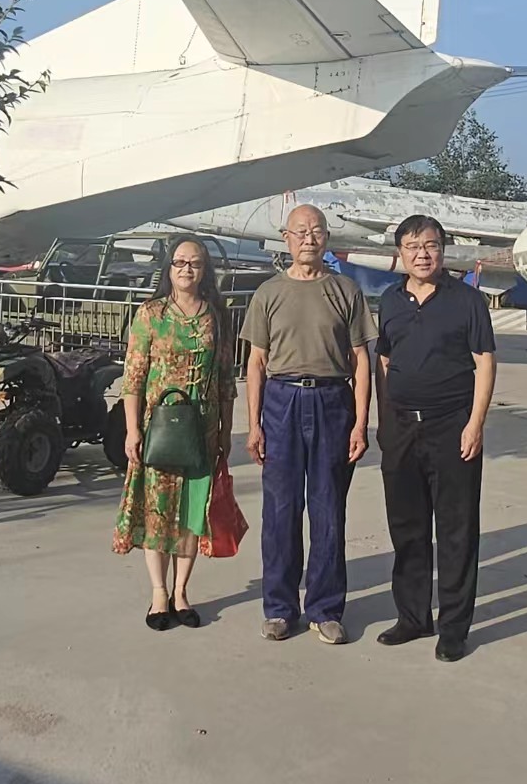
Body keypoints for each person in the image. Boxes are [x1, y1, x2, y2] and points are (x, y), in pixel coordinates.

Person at [242, 204, 375, 643]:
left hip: (332, 402)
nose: (308, 239)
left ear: (327, 238)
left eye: (316, 231)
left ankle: (325, 608)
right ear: (286, 238)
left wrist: (360, 424)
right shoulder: (268, 293)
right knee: (280, 511)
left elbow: (361, 360)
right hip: (281, 401)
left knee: (328, 509)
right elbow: (256, 362)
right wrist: (254, 424)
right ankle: (280, 608)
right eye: (300, 231)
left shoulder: (345, 290)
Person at [370, 214, 495, 662]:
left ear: (442, 250)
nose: (422, 254)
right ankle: (412, 617)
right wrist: (385, 420)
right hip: (402, 426)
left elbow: (484, 361)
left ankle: (454, 628)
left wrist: (475, 423)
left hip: (452, 425)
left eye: (430, 245)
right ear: (400, 253)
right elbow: (385, 360)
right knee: (407, 526)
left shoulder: (467, 301)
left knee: (456, 529)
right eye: (412, 246)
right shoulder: (391, 300)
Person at [113, 238, 235, 630]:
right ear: (168, 268)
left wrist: (226, 430)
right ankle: (158, 593)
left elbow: (225, 379)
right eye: (180, 262)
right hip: (160, 428)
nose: (186, 270)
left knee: (191, 512)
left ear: (205, 270)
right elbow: (133, 376)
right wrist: (132, 430)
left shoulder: (216, 315)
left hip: (202, 430)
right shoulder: (151, 314)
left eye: (195, 263)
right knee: (158, 510)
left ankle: (181, 591)